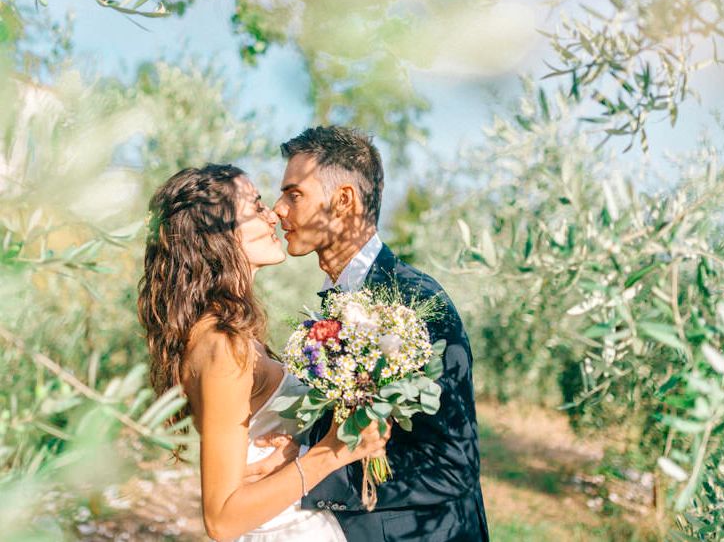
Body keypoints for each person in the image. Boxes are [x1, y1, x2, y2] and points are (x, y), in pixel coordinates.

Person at [137, 163, 389, 542]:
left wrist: (294, 453)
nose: (272, 214)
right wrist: (334, 451)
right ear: (215, 235)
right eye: (255, 206)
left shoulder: (227, 332)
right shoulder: (223, 345)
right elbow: (221, 519)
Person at [273, 126, 489, 542]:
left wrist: (308, 482)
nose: (279, 209)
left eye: (293, 194)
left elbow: (453, 464)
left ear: (344, 200)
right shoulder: (335, 303)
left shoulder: (416, 301)